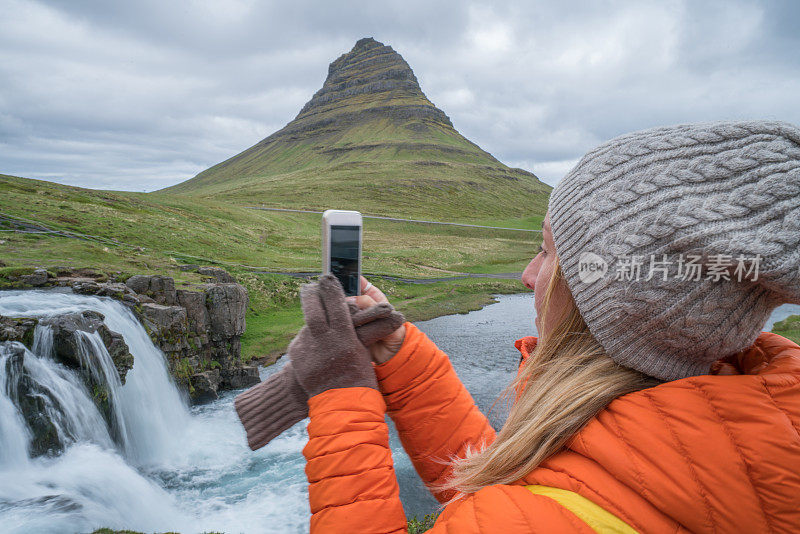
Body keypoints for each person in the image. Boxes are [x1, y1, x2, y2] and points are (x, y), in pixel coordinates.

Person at [281, 121, 800, 533]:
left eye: (548, 250)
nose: (528, 275)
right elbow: (508, 493)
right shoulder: (732, 413)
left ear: (615, 302)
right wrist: (401, 356)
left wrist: (341, 391)